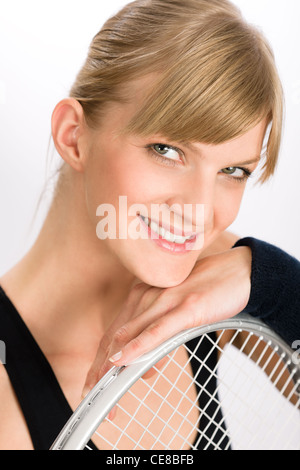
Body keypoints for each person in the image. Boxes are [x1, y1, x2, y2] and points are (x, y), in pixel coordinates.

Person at [0, 0, 299, 450]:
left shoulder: (215, 281)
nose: (199, 210)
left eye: (233, 171)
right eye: (166, 149)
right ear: (73, 137)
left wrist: (263, 283)